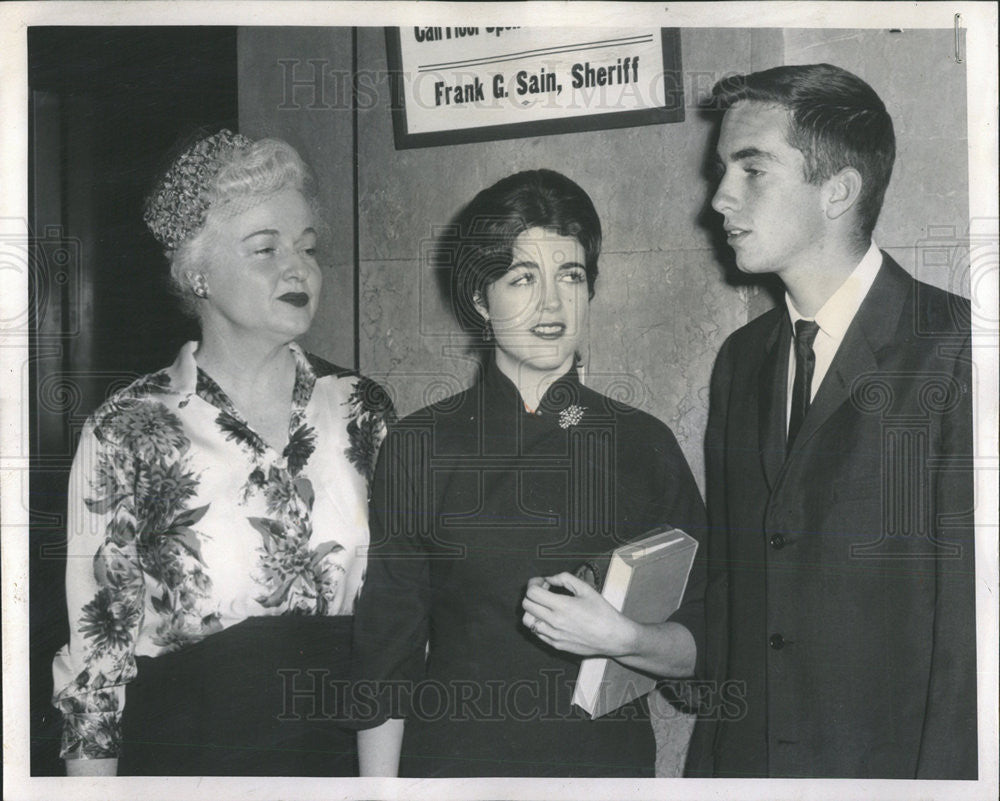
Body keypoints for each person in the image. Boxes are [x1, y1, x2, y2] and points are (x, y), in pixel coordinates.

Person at [51, 130, 393, 776]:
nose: (298, 268)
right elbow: (96, 674)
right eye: (266, 248)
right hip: (192, 766)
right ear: (197, 270)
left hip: (341, 764)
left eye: (308, 247)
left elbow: (393, 632)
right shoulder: (126, 431)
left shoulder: (362, 409)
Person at [350, 169, 706, 777]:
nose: (551, 303)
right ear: (480, 300)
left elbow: (707, 645)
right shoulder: (419, 444)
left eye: (570, 276)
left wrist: (625, 639)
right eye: (521, 279)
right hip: (455, 772)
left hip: (603, 772)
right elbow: (387, 660)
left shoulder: (643, 443)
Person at [687, 64, 977, 779]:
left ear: (838, 191)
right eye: (724, 169)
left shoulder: (959, 349)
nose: (719, 197)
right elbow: (731, 599)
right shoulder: (740, 360)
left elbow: (969, 642)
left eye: (753, 169)